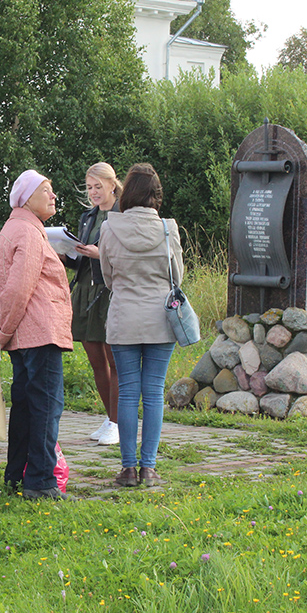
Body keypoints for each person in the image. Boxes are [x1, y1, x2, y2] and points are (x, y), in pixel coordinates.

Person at [0, 170, 73, 500]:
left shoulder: (15, 228)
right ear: (25, 198)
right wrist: (4, 329)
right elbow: (17, 289)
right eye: (46, 191)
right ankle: (40, 482)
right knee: (46, 406)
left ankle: (16, 477)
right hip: (39, 333)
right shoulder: (28, 232)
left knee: (26, 405)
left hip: (25, 334)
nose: (53, 196)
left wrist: (1, 329)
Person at [98, 163, 183, 488]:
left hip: (123, 318)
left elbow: (107, 275)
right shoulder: (167, 229)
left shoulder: (109, 228)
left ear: (126, 193)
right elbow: (177, 275)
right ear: (156, 196)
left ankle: (128, 469)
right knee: (153, 392)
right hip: (161, 318)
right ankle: (149, 468)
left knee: (128, 391)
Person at [65, 162, 122, 446]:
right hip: (85, 290)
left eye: (98, 186)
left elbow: (125, 256)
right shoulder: (88, 217)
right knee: (96, 361)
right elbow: (79, 259)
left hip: (110, 291)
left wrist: (100, 254)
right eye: (89, 188)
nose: (93, 193)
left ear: (112, 184)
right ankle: (110, 418)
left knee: (115, 360)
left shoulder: (123, 214)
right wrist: (62, 252)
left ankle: (117, 422)